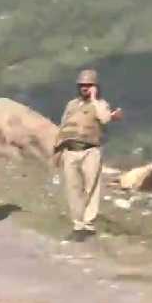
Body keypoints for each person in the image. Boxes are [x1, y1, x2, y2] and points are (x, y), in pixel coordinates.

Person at [54, 69, 124, 241]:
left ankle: (88, 224)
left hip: (90, 151)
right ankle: (77, 225)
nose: (85, 88)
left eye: (89, 85)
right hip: (70, 151)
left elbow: (105, 119)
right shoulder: (71, 105)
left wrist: (94, 100)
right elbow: (63, 125)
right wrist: (58, 149)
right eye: (82, 85)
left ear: (95, 87)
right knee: (73, 188)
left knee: (91, 187)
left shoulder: (101, 104)